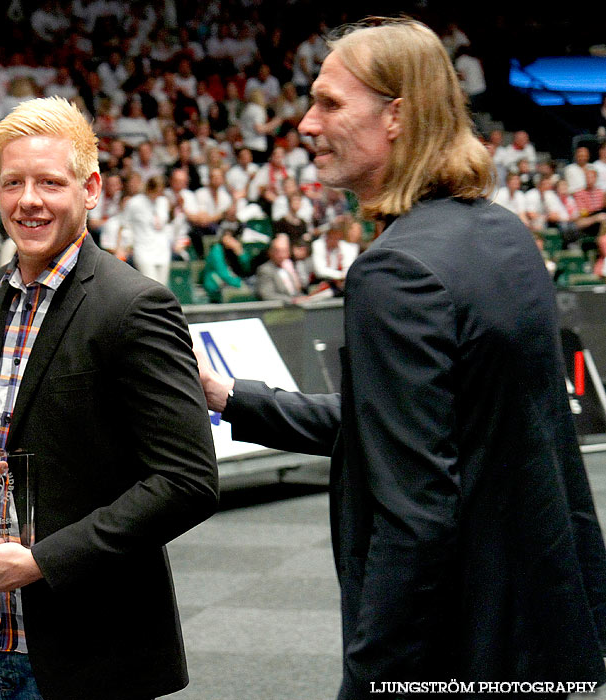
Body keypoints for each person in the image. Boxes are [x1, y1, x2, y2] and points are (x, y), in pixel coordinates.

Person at [197, 18, 606, 697]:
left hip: (450, 651)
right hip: (534, 635)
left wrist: (370, 680)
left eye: (328, 103)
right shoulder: (503, 234)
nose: (304, 123)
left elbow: (414, 509)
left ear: (395, 115)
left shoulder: (396, 271)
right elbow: (412, 430)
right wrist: (230, 398)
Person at [0, 96, 217, 700]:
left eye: (50, 182)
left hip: (90, 656)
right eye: (13, 183)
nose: (29, 200)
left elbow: (187, 482)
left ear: (91, 188)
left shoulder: (136, 306)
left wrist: (44, 562)